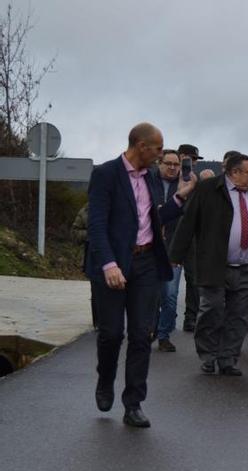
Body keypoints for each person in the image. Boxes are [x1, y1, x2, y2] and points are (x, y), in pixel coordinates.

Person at [86, 122, 192, 427]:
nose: (161, 156)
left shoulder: (152, 178)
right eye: (158, 149)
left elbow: (152, 218)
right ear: (141, 146)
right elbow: (96, 225)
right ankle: (105, 381)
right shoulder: (106, 174)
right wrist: (108, 264)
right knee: (111, 334)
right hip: (113, 264)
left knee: (141, 334)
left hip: (145, 263)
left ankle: (133, 403)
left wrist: (180, 198)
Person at [169, 152, 248, 376]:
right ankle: (208, 354)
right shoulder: (207, 190)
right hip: (215, 264)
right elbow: (188, 223)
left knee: (239, 315)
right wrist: (175, 257)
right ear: (234, 172)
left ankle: (228, 359)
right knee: (212, 309)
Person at [152, 149, 194, 352]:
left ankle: (163, 335)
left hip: (173, 249)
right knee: (150, 295)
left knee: (170, 295)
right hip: (148, 249)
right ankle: (150, 328)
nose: (172, 167)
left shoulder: (188, 186)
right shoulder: (148, 184)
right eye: (168, 163)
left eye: (176, 164)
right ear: (159, 163)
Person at [178, 144, 204, 335]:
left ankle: (191, 317)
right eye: (191, 159)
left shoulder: (196, 180)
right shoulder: (167, 176)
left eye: (194, 160)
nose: (192, 163)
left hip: (191, 234)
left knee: (193, 278)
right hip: (169, 232)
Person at [72, 203, 98, 330]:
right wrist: (91, 234)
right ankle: (98, 321)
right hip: (92, 255)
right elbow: (75, 232)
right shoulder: (85, 211)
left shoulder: (117, 206)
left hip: (114, 255)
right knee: (96, 289)